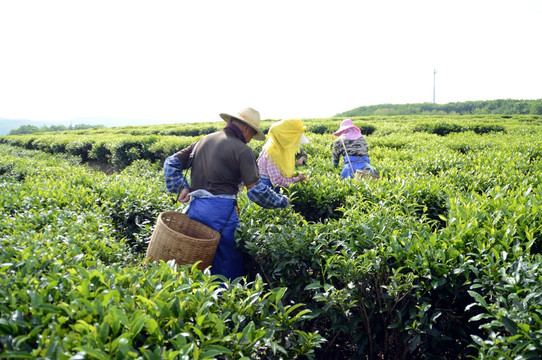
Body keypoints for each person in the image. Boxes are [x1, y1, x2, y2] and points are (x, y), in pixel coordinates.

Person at [163, 107, 290, 280]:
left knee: (198, 255)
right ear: (246, 128)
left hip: (196, 209)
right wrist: (282, 201)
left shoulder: (203, 141)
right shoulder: (242, 150)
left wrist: (181, 188)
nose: (250, 140)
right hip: (221, 213)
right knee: (227, 257)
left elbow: (170, 163)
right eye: (252, 135)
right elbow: (256, 192)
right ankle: (225, 299)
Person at [257, 118, 309, 193]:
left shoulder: (280, 150)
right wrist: (297, 178)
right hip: (269, 189)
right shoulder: (273, 153)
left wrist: (295, 175)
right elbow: (276, 181)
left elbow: (280, 170)